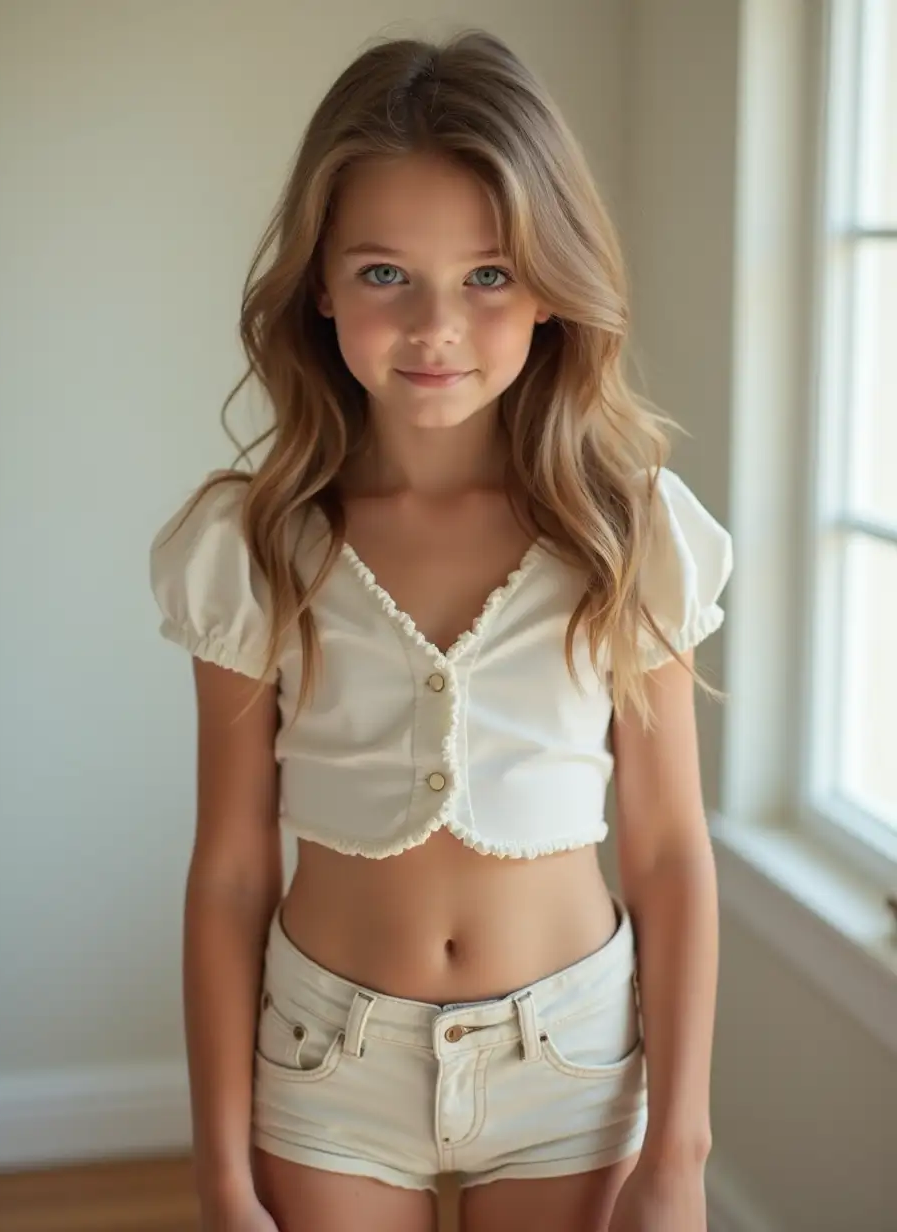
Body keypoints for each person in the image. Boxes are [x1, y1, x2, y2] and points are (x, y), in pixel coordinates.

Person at [149, 29, 731, 1232]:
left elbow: (669, 847)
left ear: (552, 285)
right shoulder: (252, 543)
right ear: (318, 280)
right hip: (327, 1064)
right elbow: (230, 867)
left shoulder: (627, 530)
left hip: (569, 1061)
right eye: (382, 274)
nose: (435, 326)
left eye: (487, 275)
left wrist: (677, 1150)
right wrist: (218, 1170)